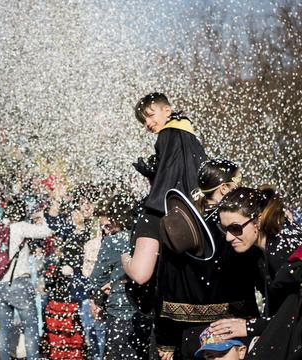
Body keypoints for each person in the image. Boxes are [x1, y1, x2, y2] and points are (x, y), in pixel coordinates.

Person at [122, 93, 207, 359]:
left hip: (161, 211)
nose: (147, 123)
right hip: (189, 217)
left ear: (166, 110)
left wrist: (125, 259)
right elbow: (185, 174)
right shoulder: (189, 135)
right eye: (143, 121)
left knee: (141, 273)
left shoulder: (168, 134)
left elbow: (140, 275)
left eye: (150, 115)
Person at [157, 160, 262, 359]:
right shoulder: (236, 227)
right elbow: (258, 274)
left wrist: (165, 338)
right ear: (224, 188)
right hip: (231, 334)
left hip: (186, 333)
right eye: (239, 181)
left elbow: (167, 281)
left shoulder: (182, 224)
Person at [207, 186, 302, 342]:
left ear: (258, 220)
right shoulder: (261, 248)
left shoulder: (284, 255)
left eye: (235, 228)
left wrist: (249, 327)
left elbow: (295, 319)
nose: (228, 237)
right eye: (224, 229)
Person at [0, 198, 53, 360]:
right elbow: (47, 231)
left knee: (3, 327)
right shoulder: (20, 227)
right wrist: (41, 218)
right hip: (18, 284)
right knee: (30, 326)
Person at [88, 194, 153, 359]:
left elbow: (96, 280)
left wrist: (99, 300)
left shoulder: (113, 242)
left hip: (119, 311)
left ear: (116, 217)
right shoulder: (149, 239)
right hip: (147, 311)